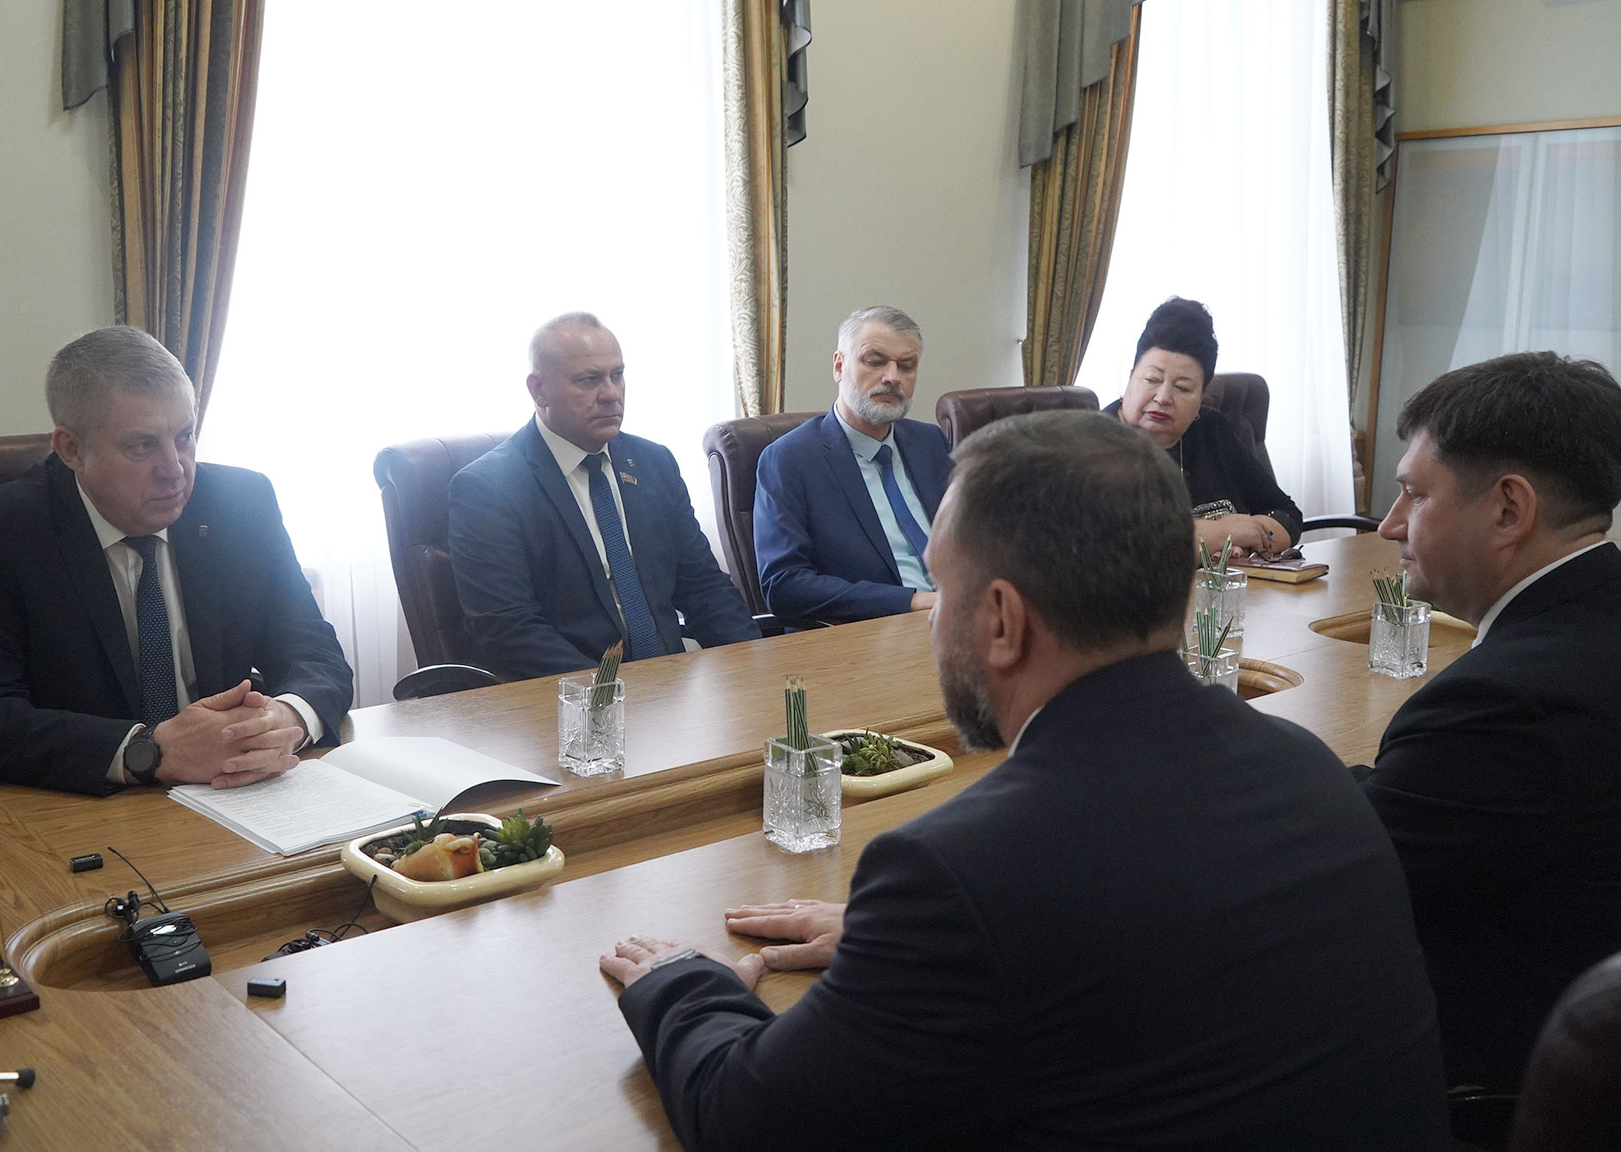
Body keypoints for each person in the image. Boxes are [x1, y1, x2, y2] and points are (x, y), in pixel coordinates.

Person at [601, 410, 1447, 1151]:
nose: (935, 621)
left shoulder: (959, 873)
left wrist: (683, 983)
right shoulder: (1308, 769)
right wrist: (899, 951)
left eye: (942, 587)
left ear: (1003, 621)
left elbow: (750, 1121)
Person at [0, 326, 353, 795]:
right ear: (71, 449)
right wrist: (149, 751)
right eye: (142, 446)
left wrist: (285, 719)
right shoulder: (1, 530)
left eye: (185, 436)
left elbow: (316, 655)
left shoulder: (241, 504)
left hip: (234, 792)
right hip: (88, 807)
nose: (175, 469)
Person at [1362, 350, 1621, 1090]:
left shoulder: (1503, 703)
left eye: (1414, 494)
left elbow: (1338, 873)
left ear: (1509, 510)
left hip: (1476, 1082)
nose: (1389, 525)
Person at [448, 312, 758, 680]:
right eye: (589, 380)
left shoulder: (653, 463)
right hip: (566, 696)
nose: (611, 394)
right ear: (538, 390)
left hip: (668, 685)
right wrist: (612, 693)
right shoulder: (488, 488)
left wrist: (754, 664)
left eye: (617, 375)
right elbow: (509, 631)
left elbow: (703, 585)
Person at [752, 306, 952, 621]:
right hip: (871, 632)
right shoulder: (790, 460)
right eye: (874, 361)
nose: (892, 377)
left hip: (958, 620)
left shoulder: (930, 442)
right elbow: (784, 585)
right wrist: (911, 601)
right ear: (839, 366)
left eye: (907, 366)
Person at [1107, 297, 1303, 560]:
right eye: (1152, 379)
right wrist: (1219, 534)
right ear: (1130, 377)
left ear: (1201, 397)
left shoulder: (1211, 431)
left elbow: (1287, 515)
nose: (1163, 397)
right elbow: (1115, 547)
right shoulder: (1092, 443)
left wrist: (1248, 541)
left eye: (1183, 388)